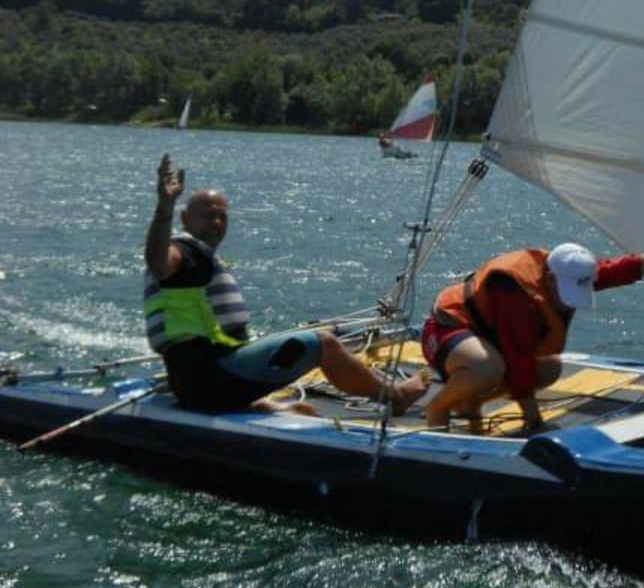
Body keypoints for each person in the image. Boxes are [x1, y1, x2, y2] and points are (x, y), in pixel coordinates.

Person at [143, 154, 429, 416]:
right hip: (214, 376)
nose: (216, 222)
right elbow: (158, 261)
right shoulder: (184, 252)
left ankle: (253, 404)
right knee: (324, 344)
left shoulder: (200, 259)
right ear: (184, 218)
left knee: (305, 336)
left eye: (222, 216)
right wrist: (164, 208)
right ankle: (395, 395)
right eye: (207, 215)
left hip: (199, 381)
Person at [420, 237, 644, 433]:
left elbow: (620, 270)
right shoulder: (516, 291)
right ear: (551, 279)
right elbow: (517, 359)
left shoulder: (569, 271)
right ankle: (438, 409)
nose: (569, 304)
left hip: (487, 338)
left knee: (549, 368)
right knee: (487, 368)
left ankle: (469, 403)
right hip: (447, 331)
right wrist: (535, 424)